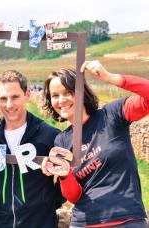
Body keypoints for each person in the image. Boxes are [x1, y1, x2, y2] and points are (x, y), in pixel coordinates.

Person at [41, 60, 148, 227]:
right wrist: (64, 175)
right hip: (84, 222)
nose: (61, 100)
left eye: (67, 92)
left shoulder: (112, 115)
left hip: (126, 220)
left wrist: (110, 77)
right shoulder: (62, 140)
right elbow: (74, 196)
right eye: (55, 95)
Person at [0, 70, 65, 228]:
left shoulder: (50, 136)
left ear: (27, 94)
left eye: (15, 97)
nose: (9, 105)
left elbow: (65, 177)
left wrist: (46, 206)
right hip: (0, 224)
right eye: (3, 98)